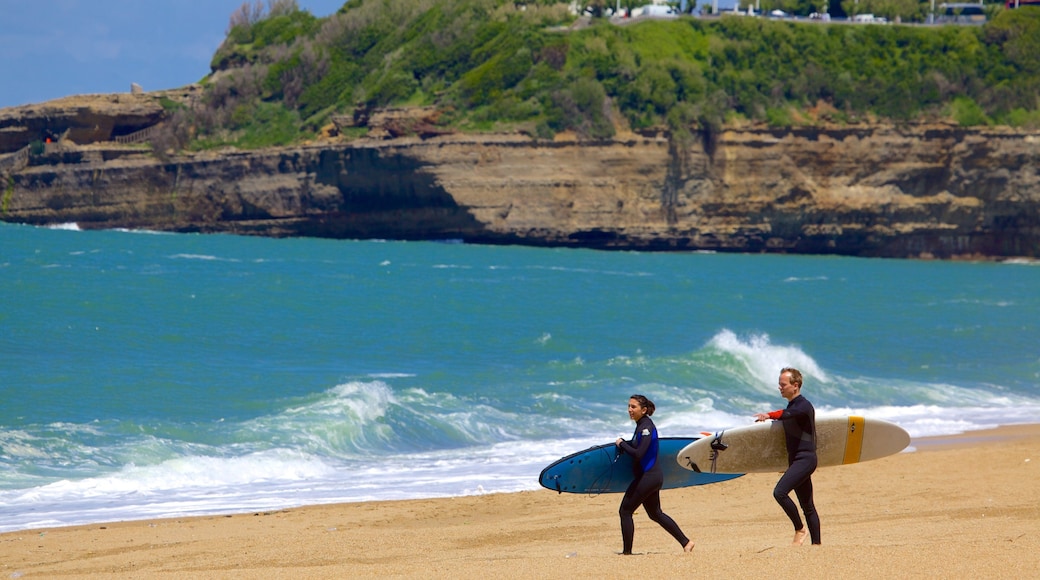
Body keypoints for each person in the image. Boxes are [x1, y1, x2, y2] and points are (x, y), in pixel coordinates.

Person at [615, 394, 695, 555]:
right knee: (655, 513)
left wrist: (621, 443)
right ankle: (686, 542)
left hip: (648, 477)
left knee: (625, 511)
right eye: (629, 406)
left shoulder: (646, 427)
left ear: (644, 410)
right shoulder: (641, 425)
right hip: (651, 477)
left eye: (633, 407)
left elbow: (639, 454)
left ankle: (627, 552)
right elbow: (640, 449)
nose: (629, 410)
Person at [754, 367, 821, 546]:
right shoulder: (792, 406)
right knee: (808, 506)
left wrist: (768, 415)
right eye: (780, 384)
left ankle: (800, 529)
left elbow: (788, 415)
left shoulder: (803, 406)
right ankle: (817, 546)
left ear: (795, 386)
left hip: (806, 459)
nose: (780, 387)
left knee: (780, 492)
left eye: (783, 384)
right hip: (796, 461)